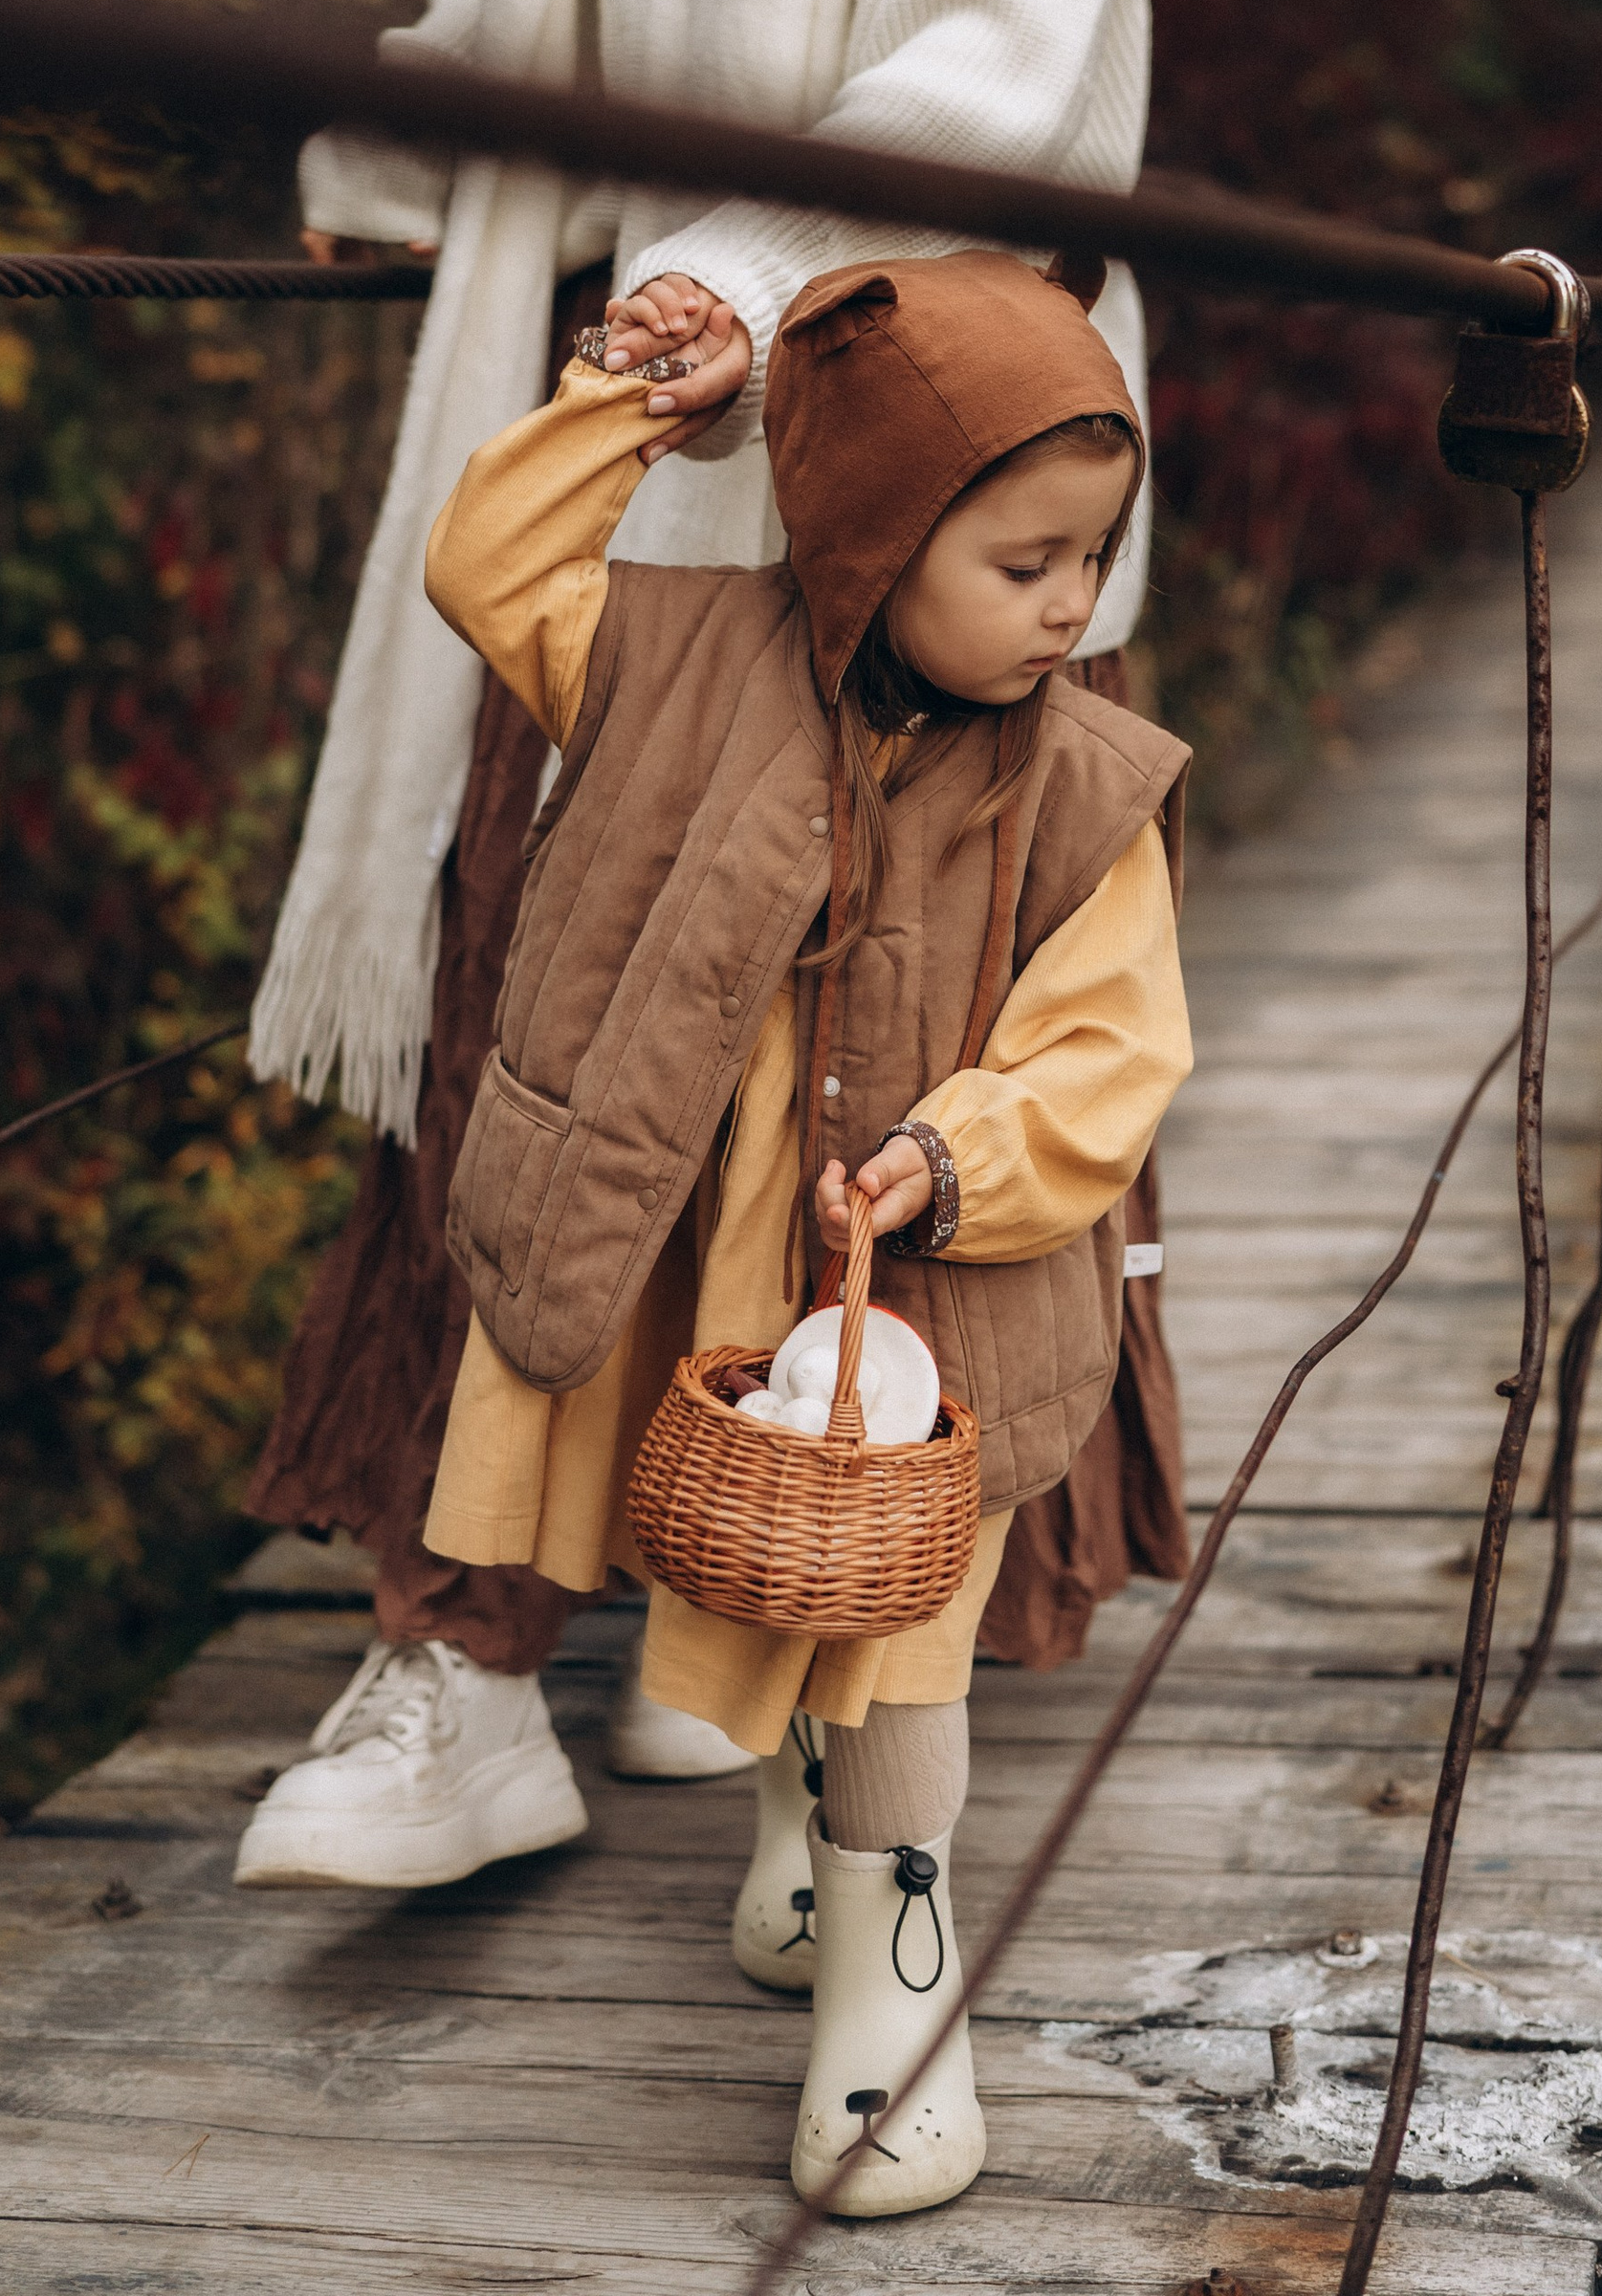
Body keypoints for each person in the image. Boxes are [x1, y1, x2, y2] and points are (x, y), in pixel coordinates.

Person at [236, 0, 1180, 1885]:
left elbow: (995, 61)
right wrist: (361, 160)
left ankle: (788, 1687)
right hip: (641, 464)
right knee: (556, 1029)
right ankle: (468, 1679)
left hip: (893, 487)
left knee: (862, 1087)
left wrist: (733, 292)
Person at [242, 252, 1194, 2220]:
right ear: (865, 533)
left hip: (922, 1283)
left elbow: (1115, 1048)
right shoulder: (672, 655)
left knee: (895, 1627)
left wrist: (966, 1151)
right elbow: (484, 564)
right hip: (698, 1225)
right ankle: (788, 1834)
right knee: (755, 1541)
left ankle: (886, 1978)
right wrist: (633, 404)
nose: (1070, 603)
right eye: (1021, 560)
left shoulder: (1082, 778)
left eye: (1090, 554)